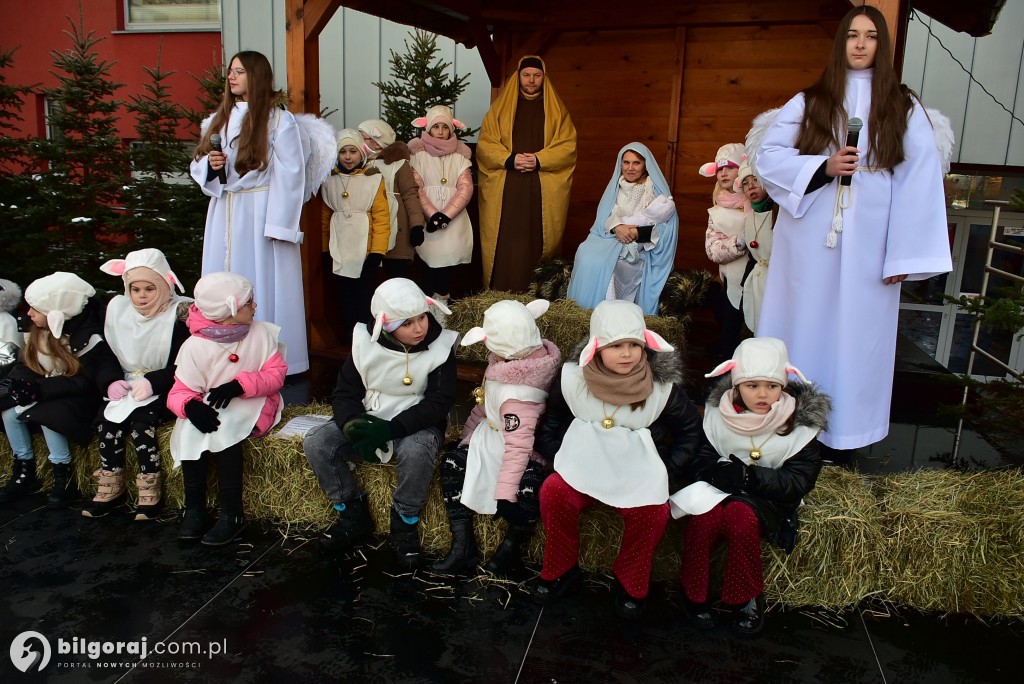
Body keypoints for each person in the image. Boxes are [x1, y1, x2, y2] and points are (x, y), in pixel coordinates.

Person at [755, 5, 952, 451]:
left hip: (870, 240)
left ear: (882, 45)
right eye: (852, 35)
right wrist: (823, 165)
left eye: (871, 36)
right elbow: (767, 157)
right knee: (801, 324)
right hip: (810, 239)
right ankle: (788, 424)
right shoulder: (810, 99)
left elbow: (919, 180)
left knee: (859, 336)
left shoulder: (901, 104)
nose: (860, 44)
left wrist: (903, 254)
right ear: (840, 42)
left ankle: (847, 436)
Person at [532, 300, 704, 619]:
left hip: (636, 470)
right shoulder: (573, 378)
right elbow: (552, 418)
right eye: (616, 346)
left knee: (653, 512)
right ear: (596, 347)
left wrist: (666, 469)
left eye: (633, 345)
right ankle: (561, 567)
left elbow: (691, 430)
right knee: (554, 494)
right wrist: (560, 456)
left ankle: (631, 580)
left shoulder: (661, 388)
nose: (627, 354)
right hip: (582, 465)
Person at [669, 337, 829, 635]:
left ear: (784, 384)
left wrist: (750, 478)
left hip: (765, 498)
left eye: (772, 386)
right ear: (736, 384)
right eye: (752, 385)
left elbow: (799, 480)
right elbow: (700, 457)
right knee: (705, 519)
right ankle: (693, 591)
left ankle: (746, 594)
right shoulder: (718, 416)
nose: (762, 394)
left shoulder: (799, 425)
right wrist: (715, 474)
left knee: (740, 518)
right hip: (719, 490)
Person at [303, 278, 458, 570]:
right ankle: (351, 510)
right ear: (385, 324)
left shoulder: (442, 347)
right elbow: (345, 393)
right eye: (407, 323)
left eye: (422, 317)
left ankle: (404, 521)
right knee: (317, 441)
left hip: (415, 421)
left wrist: (390, 429)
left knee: (418, 451)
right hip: (371, 412)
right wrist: (352, 424)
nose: (419, 328)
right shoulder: (364, 344)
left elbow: (439, 402)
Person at [190, 50, 309, 374]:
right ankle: (222, 355)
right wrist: (212, 167)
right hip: (225, 207)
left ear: (256, 76)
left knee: (261, 280)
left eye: (239, 71)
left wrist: (280, 224)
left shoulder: (277, 119)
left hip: (259, 211)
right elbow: (199, 161)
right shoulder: (220, 118)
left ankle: (266, 360)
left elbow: (291, 173)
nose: (231, 77)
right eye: (230, 71)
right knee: (222, 275)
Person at [433, 299, 561, 575]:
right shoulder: (505, 363)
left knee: (529, 487)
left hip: (520, 448)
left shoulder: (522, 393)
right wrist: (465, 437)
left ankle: (512, 546)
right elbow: (484, 406)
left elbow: (519, 447)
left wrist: (505, 495)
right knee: (452, 463)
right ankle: (462, 544)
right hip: (489, 437)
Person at [167, 272, 287, 546]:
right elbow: (180, 391)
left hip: (253, 399)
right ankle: (194, 507)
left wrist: (239, 385)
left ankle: (232, 514)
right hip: (211, 403)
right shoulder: (194, 346)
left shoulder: (260, 333)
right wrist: (189, 407)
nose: (255, 306)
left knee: (226, 436)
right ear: (229, 310)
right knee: (190, 432)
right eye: (249, 303)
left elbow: (276, 374)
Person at [84, 249, 191, 520]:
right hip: (126, 383)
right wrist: (110, 381)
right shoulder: (119, 312)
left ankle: (149, 487)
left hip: (165, 384)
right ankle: (111, 484)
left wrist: (155, 381)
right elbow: (107, 354)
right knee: (107, 424)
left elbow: (188, 360)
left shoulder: (179, 315)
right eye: (135, 289)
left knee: (143, 426)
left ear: (166, 286)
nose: (141, 296)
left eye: (149, 288)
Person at [0, 273, 121, 508]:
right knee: (9, 412)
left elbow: (86, 381)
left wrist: (41, 389)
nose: (29, 313)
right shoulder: (36, 331)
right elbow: (27, 365)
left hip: (76, 396)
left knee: (49, 416)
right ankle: (24, 466)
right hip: (45, 390)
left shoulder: (87, 337)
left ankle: (61, 471)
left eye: (36, 308)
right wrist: (21, 384)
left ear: (56, 310)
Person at [477, 56, 577, 291]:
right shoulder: (500, 110)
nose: (531, 80)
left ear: (544, 77)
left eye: (536, 75)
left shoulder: (556, 111)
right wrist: (510, 159)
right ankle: (499, 291)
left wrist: (539, 159)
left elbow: (567, 147)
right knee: (504, 241)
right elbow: (485, 145)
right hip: (507, 189)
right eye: (526, 75)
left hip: (539, 190)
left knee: (536, 239)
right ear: (518, 78)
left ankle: (536, 293)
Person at [567, 143, 678, 314]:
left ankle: (610, 316)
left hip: (639, 253)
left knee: (611, 265)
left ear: (646, 165)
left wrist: (635, 232)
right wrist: (616, 227)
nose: (630, 168)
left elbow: (666, 230)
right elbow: (601, 222)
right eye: (626, 162)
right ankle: (585, 313)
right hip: (612, 241)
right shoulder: (614, 188)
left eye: (636, 163)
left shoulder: (655, 192)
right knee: (585, 252)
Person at [321, 128, 391, 339]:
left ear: (362, 153)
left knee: (364, 296)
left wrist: (377, 252)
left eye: (353, 151)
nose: (348, 157)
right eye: (343, 152)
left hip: (365, 252)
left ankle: (366, 336)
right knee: (344, 295)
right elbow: (325, 217)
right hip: (340, 248)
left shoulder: (373, 179)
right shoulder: (330, 180)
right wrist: (325, 249)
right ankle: (348, 337)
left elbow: (381, 217)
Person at [408, 105, 474, 313]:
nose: (440, 131)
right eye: (435, 126)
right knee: (429, 263)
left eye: (444, 127)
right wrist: (432, 214)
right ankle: (426, 308)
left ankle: (442, 308)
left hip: (451, 221)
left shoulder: (460, 158)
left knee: (445, 264)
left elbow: (465, 188)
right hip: (429, 220)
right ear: (427, 129)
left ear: (451, 130)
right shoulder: (419, 157)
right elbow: (416, 187)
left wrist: (446, 215)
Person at [358, 119, 425, 282]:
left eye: (363, 138)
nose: (359, 142)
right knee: (368, 274)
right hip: (369, 228)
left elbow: (410, 194)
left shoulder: (399, 164)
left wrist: (416, 225)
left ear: (376, 142)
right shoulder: (359, 163)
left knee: (395, 275)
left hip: (397, 226)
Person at [702, 143, 750, 358]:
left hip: (758, 275)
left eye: (730, 167)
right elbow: (713, 250)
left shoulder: (756, 202)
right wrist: (740, 242)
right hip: (732, 278)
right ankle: (725, 366)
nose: (724, 173)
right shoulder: (717, 211)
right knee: (730, 322)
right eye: (720, 169)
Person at [736, 163, 777, 334]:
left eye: (756, 180)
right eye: (745, 183)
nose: (751, 186)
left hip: (775, 280)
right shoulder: (748, 218)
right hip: (757, 280)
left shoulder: (778, 214)